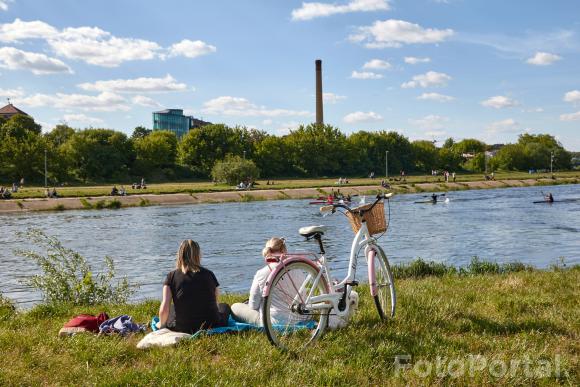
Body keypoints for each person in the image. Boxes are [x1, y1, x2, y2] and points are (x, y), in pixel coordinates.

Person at [158, 240, 230, 334]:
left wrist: (162, 325)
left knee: (171, 309)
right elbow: (215, 302)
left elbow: (165, 304)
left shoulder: (171, 276)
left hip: (183, 327)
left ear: (180, 255)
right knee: (224, 306)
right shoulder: (209, 274)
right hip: (212, 324)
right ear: (198, 255)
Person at [231, 238, 287, 325]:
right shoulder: (299, 267)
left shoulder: (262, 273)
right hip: (302, 316)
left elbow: (253, 306)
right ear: (283, 250)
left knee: (235, 307)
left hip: (276, 321)